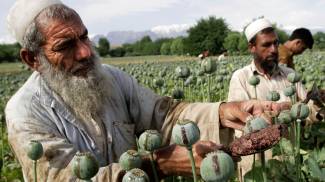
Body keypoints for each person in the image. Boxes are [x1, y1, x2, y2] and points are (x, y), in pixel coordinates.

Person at [5, 1, 289, 181]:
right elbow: (66, 179)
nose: (84, 52)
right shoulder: (26, 112)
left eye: (84, 37)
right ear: (32, 59)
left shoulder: (110, 78)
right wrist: (158, 165)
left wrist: (224, 112)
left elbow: (164, 115)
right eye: (65, 45)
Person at [227, 18, 322, 181]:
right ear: (252, 47)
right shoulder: (241, 77)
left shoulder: (289, 75)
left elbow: (308, 109)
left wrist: (316, 102)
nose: (273, 50)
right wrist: (277, 112)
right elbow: (240, 124)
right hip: (255, 167)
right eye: (266, 45)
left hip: (289, 165)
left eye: (276, 44)